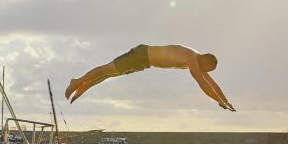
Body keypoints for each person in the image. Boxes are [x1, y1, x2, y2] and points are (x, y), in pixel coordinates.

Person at [65, 44, 235, 111]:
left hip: (144, 61)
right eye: (206, 69)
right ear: (205, 61)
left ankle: (84, 85)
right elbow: (203, 84)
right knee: (108, 69)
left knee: (109, 73)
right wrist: (219, 101)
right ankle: (78, 81)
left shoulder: (196, 61)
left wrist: (225, 100)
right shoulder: (192, 58)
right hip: (142, 55)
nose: (204, 72)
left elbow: (211, 83)